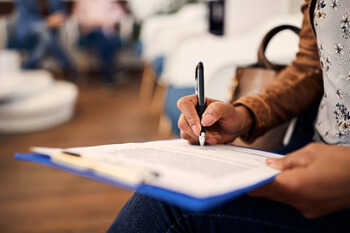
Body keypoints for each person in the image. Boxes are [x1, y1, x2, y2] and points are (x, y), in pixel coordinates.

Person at [107, 0, 350, 232]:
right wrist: (244, 114)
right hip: (312, 149)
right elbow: (311, 66)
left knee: (167, 206)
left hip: (335, 181)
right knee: (169, 190)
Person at [13, 0, 76, 79]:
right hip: (28, 31)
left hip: (50, 33)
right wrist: (46, 22)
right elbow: (26, 18)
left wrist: (59, 16)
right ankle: (68, 66)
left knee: (46, 37)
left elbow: (62, 10)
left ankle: (28, 67)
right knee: (45, 35)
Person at [72, 0, 126, 87]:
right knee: (105, 40)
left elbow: (119, 13)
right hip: (90, 33)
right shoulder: (83, 2)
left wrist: (108, 20)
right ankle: (110, 74)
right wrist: (93, 21)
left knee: (105, 40)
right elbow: (78, 17)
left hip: (106, 32)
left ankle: (108, 76)